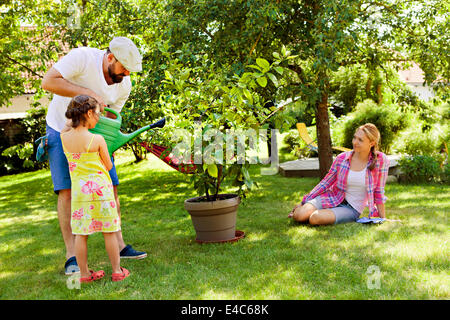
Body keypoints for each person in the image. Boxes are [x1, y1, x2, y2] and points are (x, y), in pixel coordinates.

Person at [42, 37, 147, 276]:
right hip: (61, 128)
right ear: (110, 57)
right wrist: (86, 93)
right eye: (123, 67)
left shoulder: (124, 84)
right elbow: (47, 82)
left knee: (111, 184)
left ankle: (119, 245)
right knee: (67, 190)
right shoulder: (83, 58)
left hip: (94, 134)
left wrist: (103, 144)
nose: (127, 73)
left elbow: (110, 119)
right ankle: (72, 256)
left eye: (131, 70)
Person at [61, 95, 130, 283]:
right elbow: (108, 166)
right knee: (109, 230)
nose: (99, 118)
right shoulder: (97, 139)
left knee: (81, 234)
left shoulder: (63, 137)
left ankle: (83, 275)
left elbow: (68, 125)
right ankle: (117, 271)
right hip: (102, 192)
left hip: (80, 194)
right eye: (97, 114)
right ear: (89, 113)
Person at [288, 123, 389, 225]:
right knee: (299, 215)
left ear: (371, 143)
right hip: (332, 197)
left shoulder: (380, 160)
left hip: (351, 208)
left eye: (360, 140)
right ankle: (307, 210)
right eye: (354, 138)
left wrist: (382, 218)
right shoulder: (342, 158)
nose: (355, 142)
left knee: (315, 218)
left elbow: (378, 191)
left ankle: (322, 213)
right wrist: (304, 201)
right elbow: (326, 182)